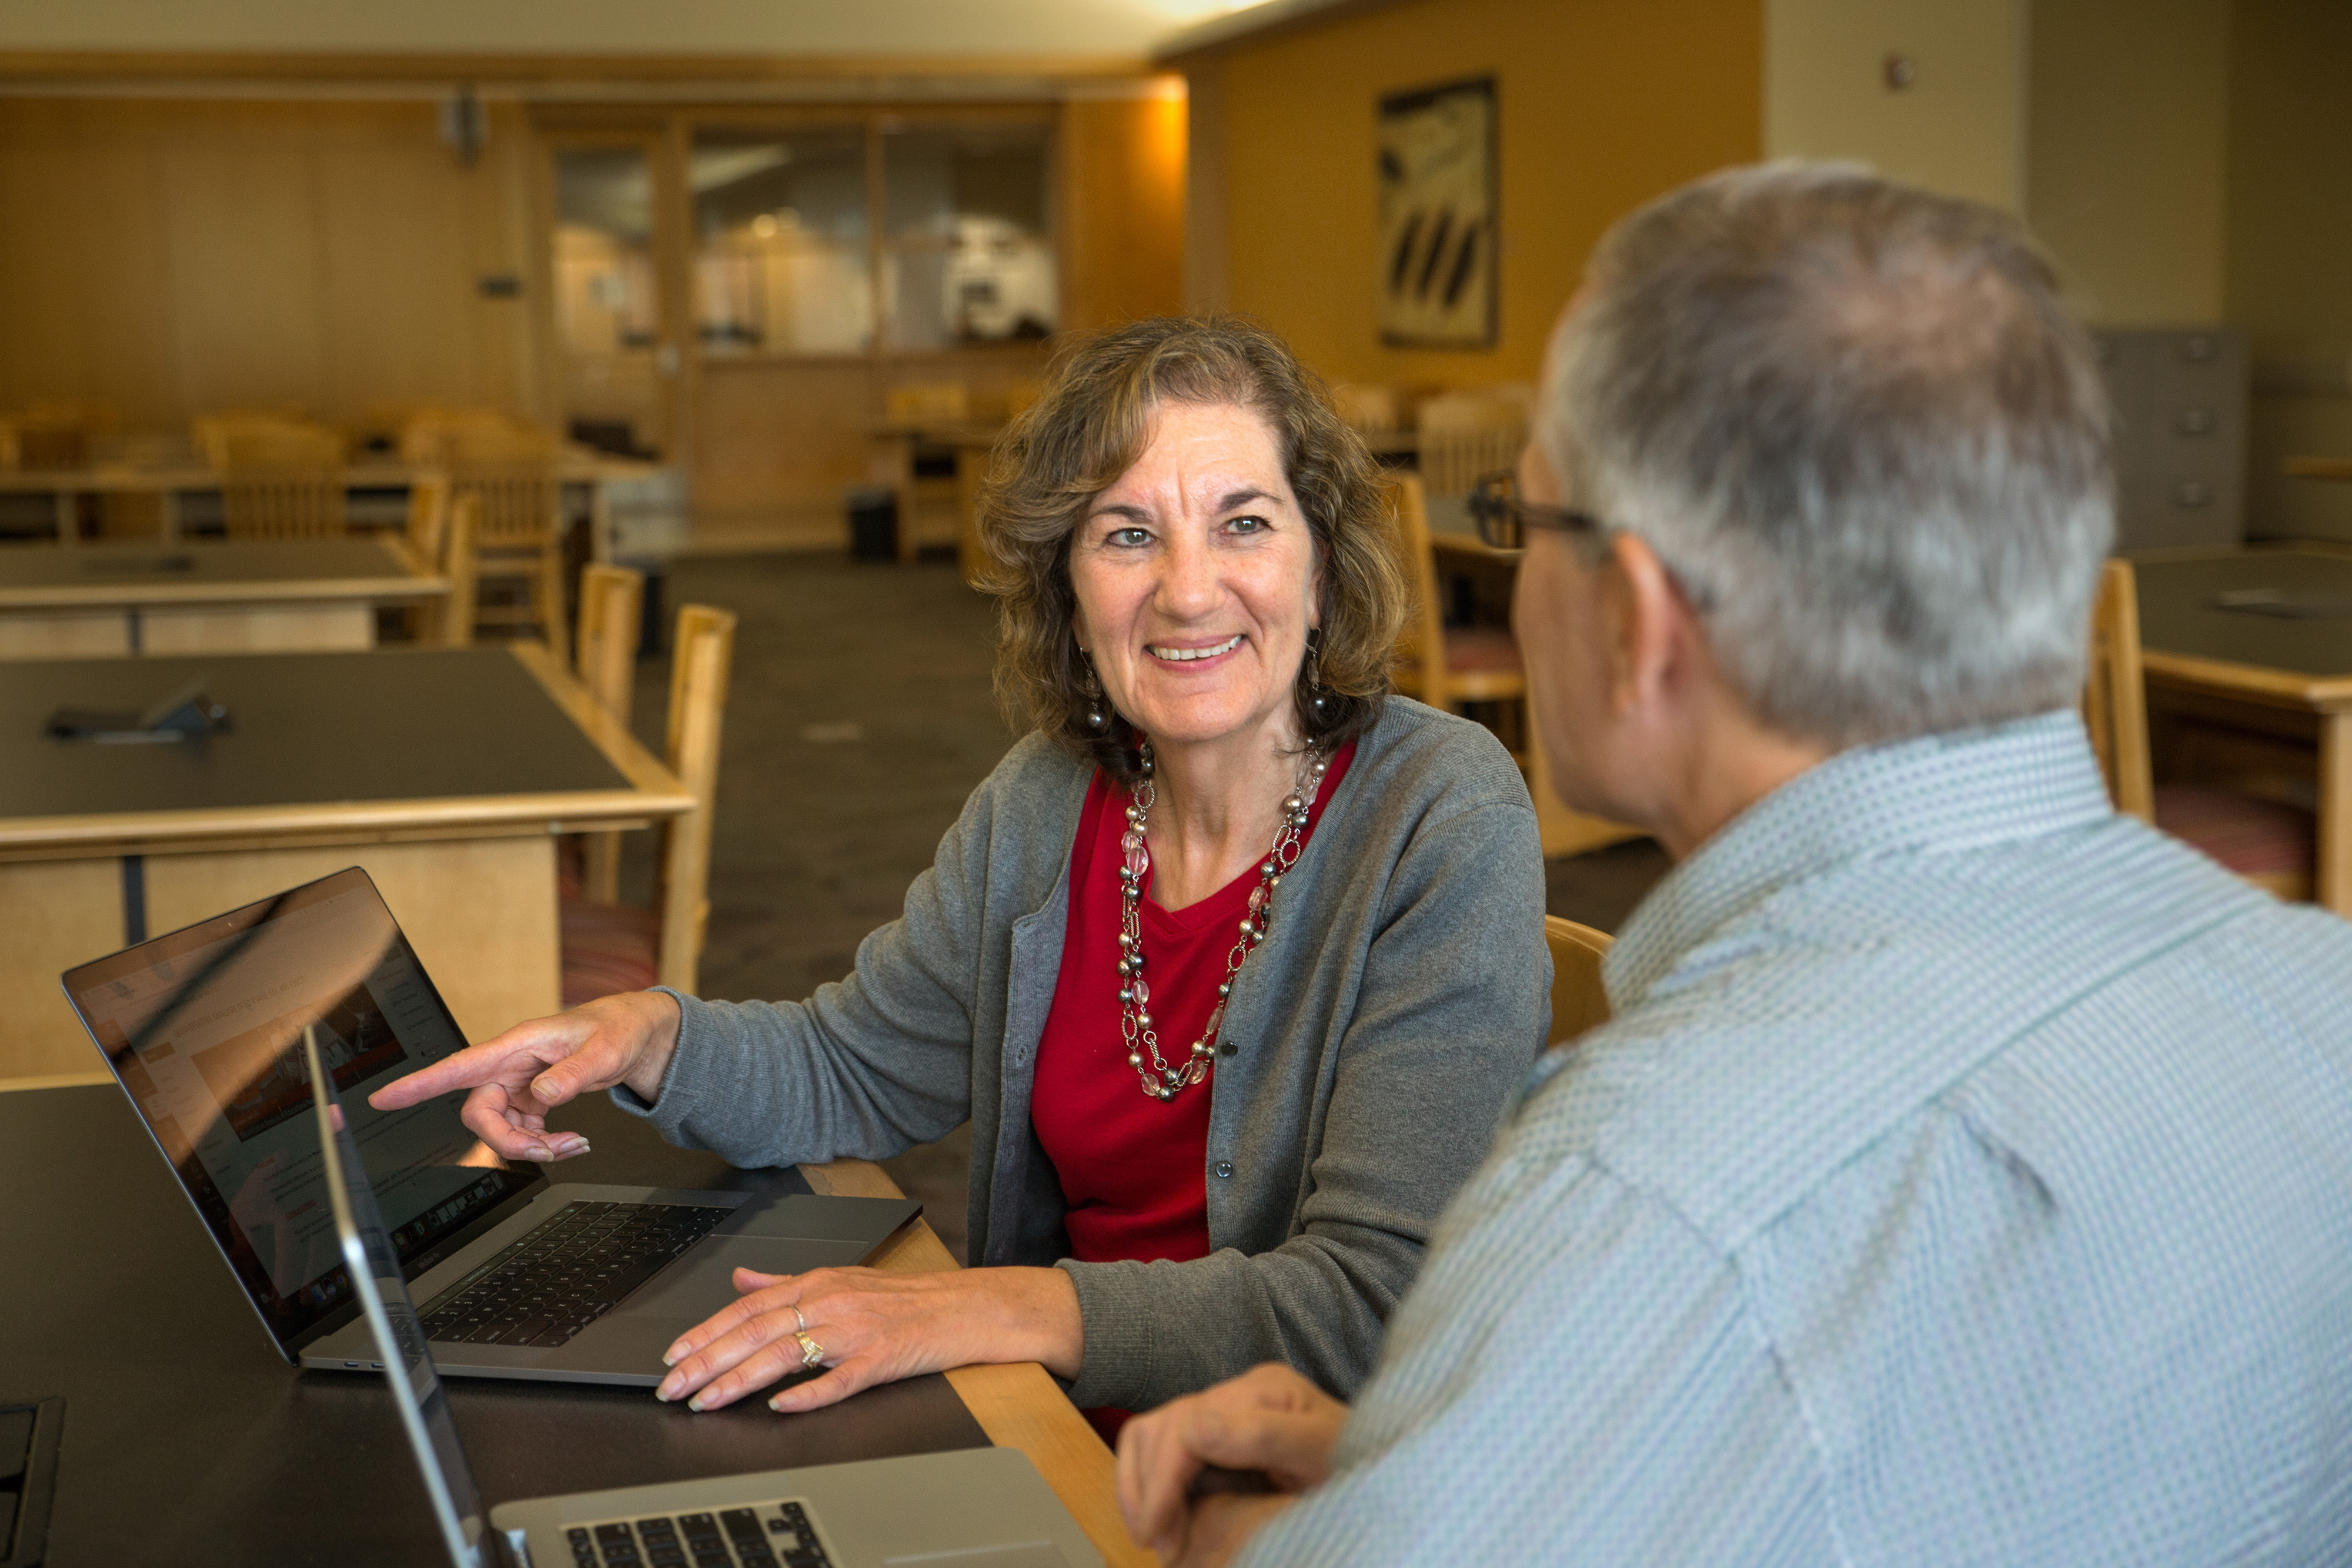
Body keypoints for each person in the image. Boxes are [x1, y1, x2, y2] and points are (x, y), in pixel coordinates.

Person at [1115, 164, 2352, 1566]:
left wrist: (1233, 1531)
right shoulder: (2323, 992)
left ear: (1638, 622)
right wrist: (1450, 1452)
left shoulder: (1649, 1191)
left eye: (1528, 522)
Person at [370, 316, 1551, 1427]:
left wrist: (977, 1305)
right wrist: (642, 1034)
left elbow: (1372, 1298)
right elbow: (850, 1068)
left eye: (1243, 523)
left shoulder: (1436, 810)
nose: (1188, 589)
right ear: (1068, 587)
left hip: (1301, 1472)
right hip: (1047, 1412)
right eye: (1127, 533)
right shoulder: (1049, 799)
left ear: (1323, 563)